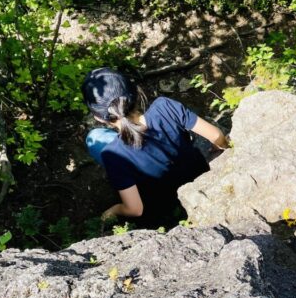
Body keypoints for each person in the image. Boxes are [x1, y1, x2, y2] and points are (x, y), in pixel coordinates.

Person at [82, 67, 229, 228]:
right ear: (136, 93)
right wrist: (218, 147)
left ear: (99, 117)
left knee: (94, 138)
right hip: (198, 178)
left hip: (163, 206)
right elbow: (217, 136)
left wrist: (112, 211)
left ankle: (123, 177)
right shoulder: (165, 106)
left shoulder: (113, 154)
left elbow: (135, 209)